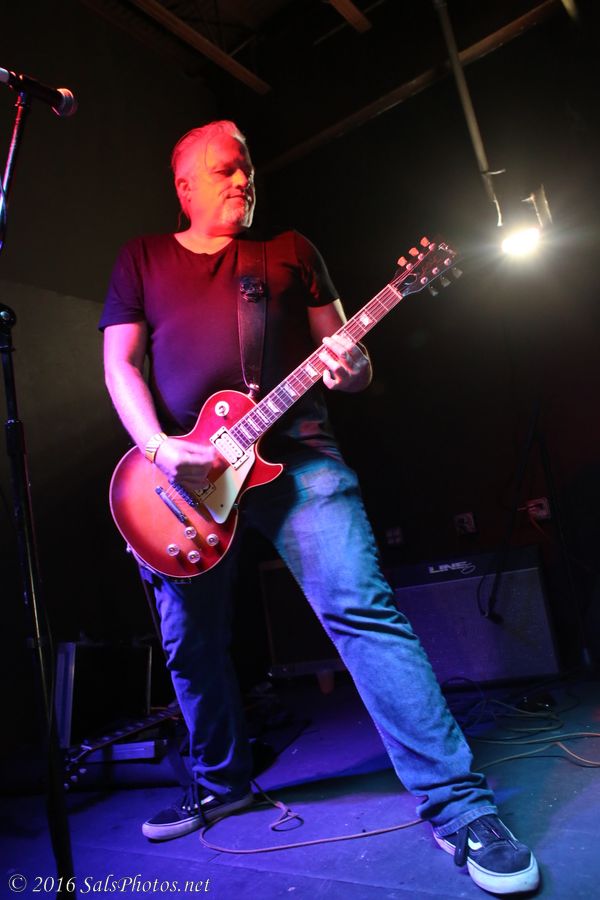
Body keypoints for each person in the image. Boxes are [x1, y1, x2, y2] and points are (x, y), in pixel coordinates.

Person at [100, 120, 539, 895]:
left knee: (364, 615)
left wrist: (352, 361)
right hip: (184, 484)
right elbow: (120, 365)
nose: (244, 179)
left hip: (299, 460)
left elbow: (349, 362)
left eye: (248, 168)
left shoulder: (290, 250)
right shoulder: (142, 258)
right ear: (185, 186)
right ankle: (220, 783)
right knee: (190, 644)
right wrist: (162, 449)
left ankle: (461, 807)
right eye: (226, 170)